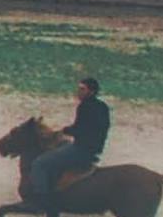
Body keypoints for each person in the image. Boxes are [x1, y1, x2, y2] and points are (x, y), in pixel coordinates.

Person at [25, 75, 109, 208]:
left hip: (81, 149)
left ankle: (40, 199)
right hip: (94, 148)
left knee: (39, 163)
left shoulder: (85, 106)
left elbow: (80, 129)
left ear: (91, 92)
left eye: (82, 89)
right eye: (79, 89)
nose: (78, 92)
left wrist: (63, 130)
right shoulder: (103, 106)